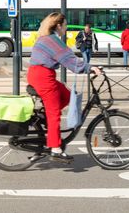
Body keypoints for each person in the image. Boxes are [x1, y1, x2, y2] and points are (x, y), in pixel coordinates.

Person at [27, 13, 102, 163]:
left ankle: (47, 123)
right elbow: (70, 61)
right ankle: (55, 149)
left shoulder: (46, 38)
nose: (66, 28)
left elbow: (68, 58)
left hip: (39, 75)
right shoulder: (53, 40)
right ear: (59, 26)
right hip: (43, 77)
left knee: (67, 95)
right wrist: (90, 67)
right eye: (65, 25)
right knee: (54, 112)